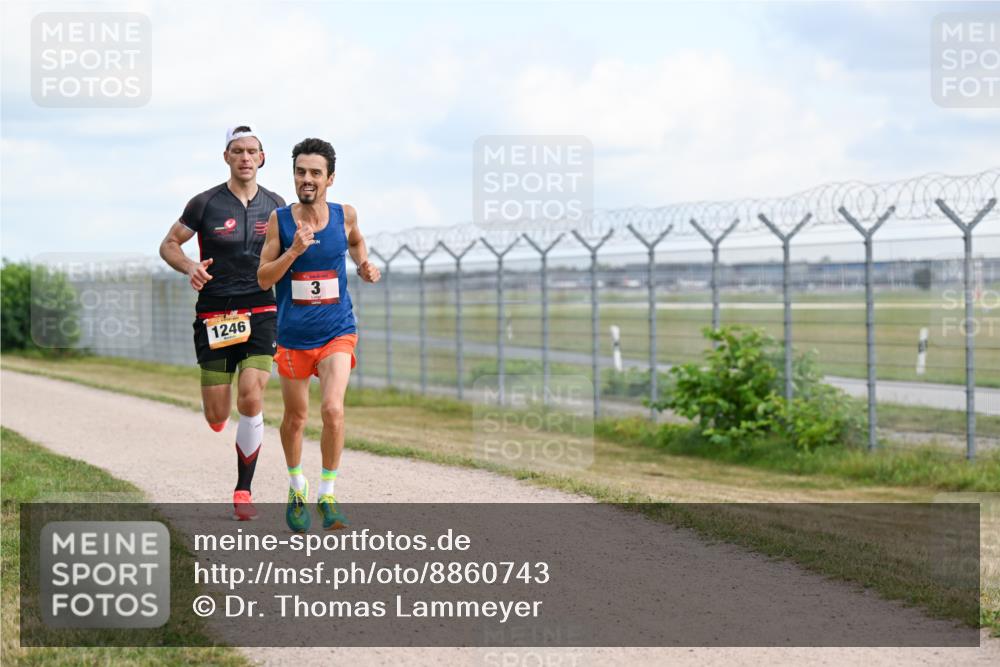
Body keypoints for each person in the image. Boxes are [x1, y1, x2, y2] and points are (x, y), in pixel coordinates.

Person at [159, 125, 286, 521]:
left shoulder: (278, 206)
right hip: (215, 312)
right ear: (227, 157)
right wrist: (190, 267)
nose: (245, 157)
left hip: (262, 309)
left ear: (262, 158)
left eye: (252, 151)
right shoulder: (205, 203)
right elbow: (168, 245)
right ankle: (219, 416)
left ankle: (243, 490)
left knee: (252, 395)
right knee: (218, 414)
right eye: (237, 151)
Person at [258, 137, 380, 533]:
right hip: (294, 336)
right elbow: (263, 280)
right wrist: (292, 252)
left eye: (315, 173)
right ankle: (297, 487)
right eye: (300, 172)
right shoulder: (280, 220)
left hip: (337, 331)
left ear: (329, 178)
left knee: (332, 410)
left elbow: (357, 241)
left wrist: (363, 264)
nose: (306, 179)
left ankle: (328, 495)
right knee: (296, 419)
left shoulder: (345, 216)